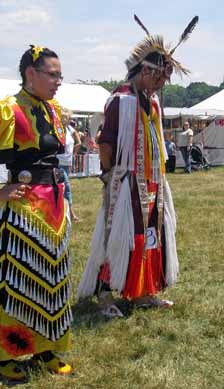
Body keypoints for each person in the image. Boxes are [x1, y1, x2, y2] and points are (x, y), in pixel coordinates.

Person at [0, 45, 73, 380]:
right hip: (24, 207)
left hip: (54, 205)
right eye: (52, 74)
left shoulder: (54, 110)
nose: (58, 81)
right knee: (20, 279)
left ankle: (47, 349)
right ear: (30, 74)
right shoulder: (5, 110)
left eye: (59, 75)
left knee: (54, 279)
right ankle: (5, 354)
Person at [77, 16, 198, 317]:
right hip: (125, 181)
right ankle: (105, 295)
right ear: (146, 71)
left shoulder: (151, 102)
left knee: (150, 237)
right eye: (159, 79)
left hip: (152, 182)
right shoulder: (121, 99)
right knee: (116, 236)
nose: (161, 86)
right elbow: (106, 142)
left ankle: (144, 290)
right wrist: (109, 176)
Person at [57, 109, 81, 221]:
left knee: (63, 188)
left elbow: (79, 142)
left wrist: (74, 154)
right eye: (68, 118)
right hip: (58, 163)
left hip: (66, 163)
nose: (70, 120)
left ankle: (63, 212)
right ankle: (71, 214)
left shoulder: (69, 129)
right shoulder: (57, 130)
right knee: (66, 188)